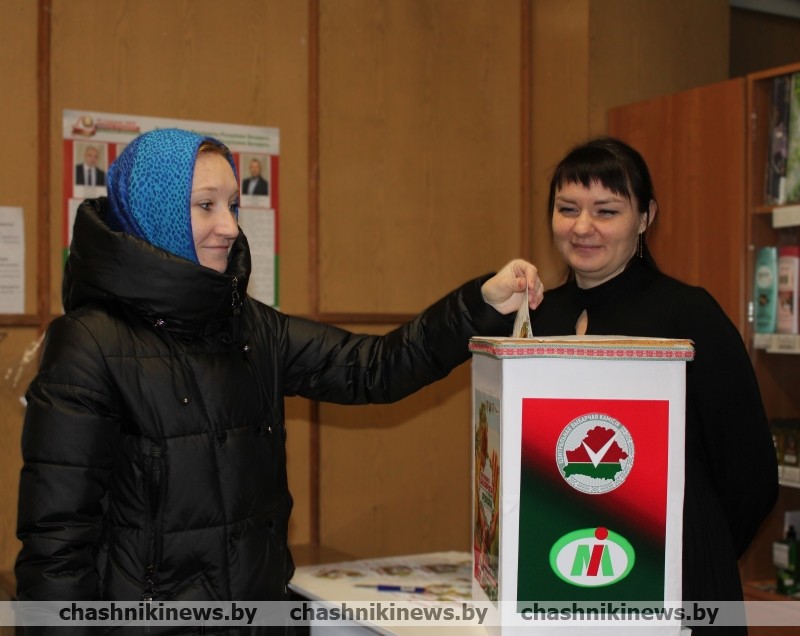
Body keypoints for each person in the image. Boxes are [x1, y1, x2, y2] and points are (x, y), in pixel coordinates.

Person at [15, 129, 542, 616]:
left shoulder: (253, 327)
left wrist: (480, 306)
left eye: (232, 205)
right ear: (156, 212)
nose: (230, 227)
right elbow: (56, 546)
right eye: (206, 206)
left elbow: (375, 368)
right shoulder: (89, 343)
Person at [530, 137, 778, 634]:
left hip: (680, 577)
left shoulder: (688, 315)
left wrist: (696, 547)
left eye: (606, 211)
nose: (582, 227)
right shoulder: (536, 316)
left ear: (645, 218)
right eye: (567, 209)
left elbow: (750, 473)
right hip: (563, 564)